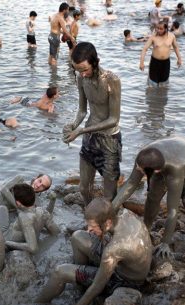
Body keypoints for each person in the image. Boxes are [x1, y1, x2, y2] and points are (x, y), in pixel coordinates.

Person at [36, 198, 152, 305]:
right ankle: (79, 281)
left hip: (125, 281)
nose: (89, 230)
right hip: (126, 263)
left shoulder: (115, 248)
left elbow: (97, 286)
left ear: (107, 223)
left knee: (60, 272)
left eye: (93, 227)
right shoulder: (124, 214)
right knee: (77, 237)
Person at [112, 136, 185, 258]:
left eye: (141, 170)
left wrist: (165, 243)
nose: (137, 170)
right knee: (153, 197)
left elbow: (173, 211)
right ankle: (146, 228)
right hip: (171, 153)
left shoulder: (175, 171)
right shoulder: (144, 156)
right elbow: (131, 182)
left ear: (156, 171)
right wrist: (111, 208)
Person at [63, 42, 122, 205]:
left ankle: (107, 219)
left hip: (109, 140)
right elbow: (82, 110)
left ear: (96, 62)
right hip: (89, 138)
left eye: (84, 69)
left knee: (109, 193)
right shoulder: (81, 79)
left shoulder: (112, 80)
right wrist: (72, 126)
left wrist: (81, 131)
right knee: (83, 188)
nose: (81, 74)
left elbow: (113, 119)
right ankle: (90, 216)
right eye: (77, 70)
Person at [2, 183, 60, 254]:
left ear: (18, 203)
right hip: (24, 234)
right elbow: (56, 232)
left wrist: (7, 243)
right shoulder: (43, 211)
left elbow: (33, 248)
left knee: (1, 209)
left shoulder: (24, 217)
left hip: (7, 237)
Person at [139, 21, 182, 87]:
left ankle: (161, 96)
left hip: (166, 63)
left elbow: (176, 47)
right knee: (152, 84)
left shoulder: (171, 36)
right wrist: (141, 62)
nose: (158, 30)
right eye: (157, 28)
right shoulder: (153, 37)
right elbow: (144, 49)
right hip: (155, 62)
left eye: (161, 29)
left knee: (164, 84)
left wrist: (179, 58)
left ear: (166, 29)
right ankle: (152, 96)